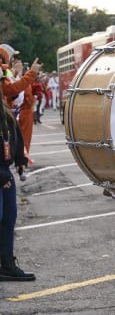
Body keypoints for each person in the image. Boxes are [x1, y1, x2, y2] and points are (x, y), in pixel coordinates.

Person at [0, 93, 33, 282]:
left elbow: (16, 136)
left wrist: (20, 159)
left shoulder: (5, 110)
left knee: (9, 218)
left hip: (5, 171)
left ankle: (6, 263)